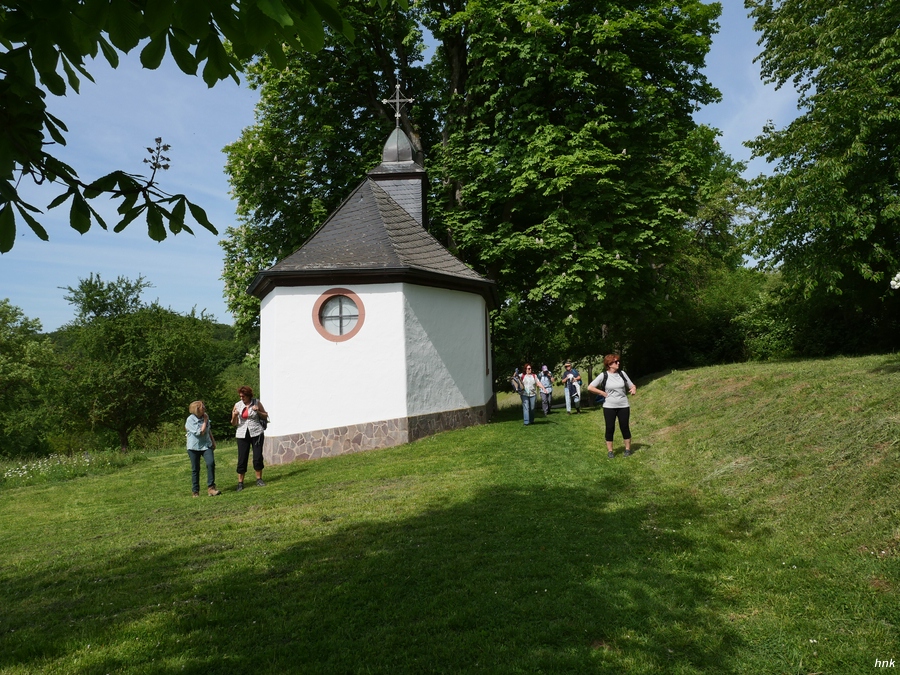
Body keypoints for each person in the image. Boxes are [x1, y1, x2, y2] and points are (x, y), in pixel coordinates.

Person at [587, 354, 637, 458]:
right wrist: (602, 393)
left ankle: (628, 449)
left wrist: (633, 389)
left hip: (623, 405)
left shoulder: (622, 374)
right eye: (615, 362)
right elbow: (590, 387)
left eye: (618, 361)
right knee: (610, 428)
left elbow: (632, 385)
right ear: (609, 364)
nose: (618, 363)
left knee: (625, 427)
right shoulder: (604, 375)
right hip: (609, 406)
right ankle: (610, 451)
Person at [231, 385, 269, 491]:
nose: (241, 398)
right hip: (242, 434)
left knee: (257, 457)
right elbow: (233, 423)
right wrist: (234, 416)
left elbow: (265, 415)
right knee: (242, 458)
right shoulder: (237, 405)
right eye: (240, 396)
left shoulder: (256, 402)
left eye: (243, 396)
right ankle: (240, 482)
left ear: (248, 396)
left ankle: (259, 479)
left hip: (256, 433)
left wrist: (258, 411)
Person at [185, 400, 221, 497]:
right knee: (195, 468)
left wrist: (213, 441)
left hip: (206, 445)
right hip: (193, 447)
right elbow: (200, 432)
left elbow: (208, 430)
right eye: (202, 407)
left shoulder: (205, 416)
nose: (204, 408)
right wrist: (205, 421)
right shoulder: (190, 420)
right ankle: (195, 491)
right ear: (197, 409)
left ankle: (211, 488)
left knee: (211, 463)